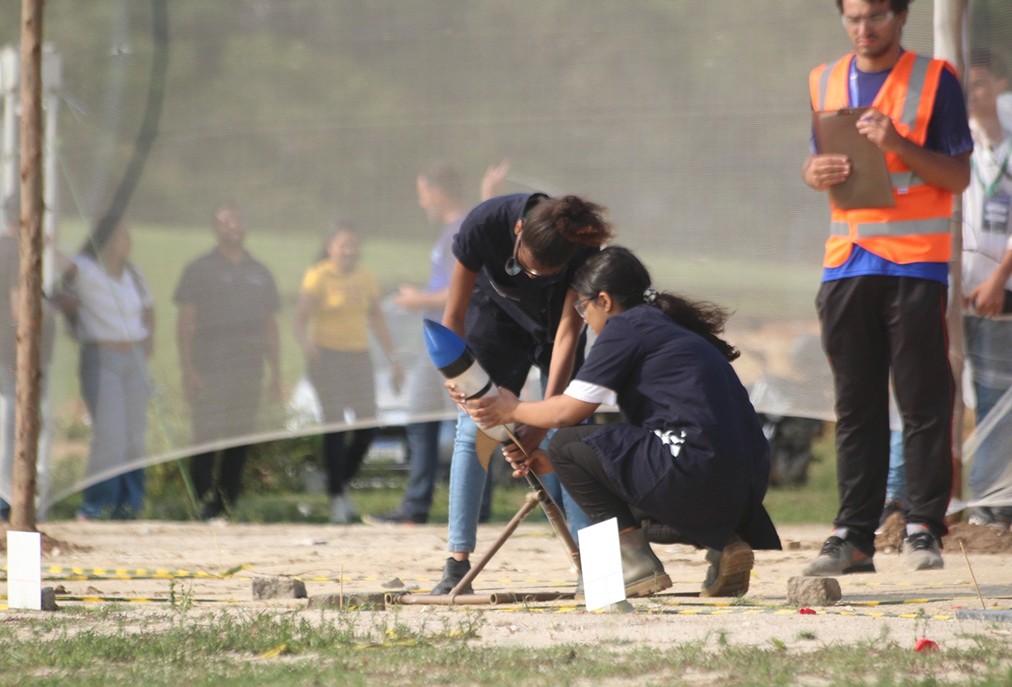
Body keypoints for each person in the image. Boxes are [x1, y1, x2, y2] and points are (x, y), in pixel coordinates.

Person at [461, 247, 781, 597]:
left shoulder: (626, 328)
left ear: (604, 300)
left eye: (583, 307)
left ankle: (633, 567)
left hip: (694, 470)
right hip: (742, 488)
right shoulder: (668, 327)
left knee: (566, 442)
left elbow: (567, 412)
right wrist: (561, 466)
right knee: (575, 461)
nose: (583, 318)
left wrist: (513, 410)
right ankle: (726, 545)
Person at [801, 0, 972, 574]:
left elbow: (958, 175)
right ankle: (853, 536)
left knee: (924, 402)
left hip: (916, 266)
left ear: (900, 16)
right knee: (856, 407)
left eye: (875, 16)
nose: (863, 29)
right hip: (847, 263)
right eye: (852, 18)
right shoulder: (823, 80)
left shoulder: (935, 80)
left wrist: (898, 144)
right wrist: (812, 172)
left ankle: (924, 526)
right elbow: (816, 159)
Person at [429, 191, 611, 595]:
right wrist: (455, 375)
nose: (533, 280)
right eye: (525, 268)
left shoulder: (581, 247)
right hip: (494, 322)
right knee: (472, 428)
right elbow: (453, 315)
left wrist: (543, 420)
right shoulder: (481, 224)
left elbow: (567, 334)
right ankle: (456, 564)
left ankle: (597, 571)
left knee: (572, 434)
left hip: (553, 330)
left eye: (546, 275)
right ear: (517, 231)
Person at [366, 161, 508, 526]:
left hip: (452, 339)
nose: (421, 201)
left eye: (423, 193)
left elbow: (464, 286)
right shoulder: (452, 229)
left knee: (434, 418)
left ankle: (419, 507)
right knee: (460, 419)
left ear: (439, 191)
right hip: (449, 337)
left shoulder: (457, 229)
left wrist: (417, 300)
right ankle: (461, 506)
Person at [174, 204, 282, 520]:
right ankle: (202, 501)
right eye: (225, 222)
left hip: (249, 368)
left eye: (238, 220)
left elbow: (270, 325)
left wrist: (275, 373)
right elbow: (184, 322)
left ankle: (226, 505)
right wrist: (188, 369)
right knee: (206, 434)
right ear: (215, 228)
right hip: (210, 367)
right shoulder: (199, 269)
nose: (233, 226)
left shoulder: (260, 272)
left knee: (241, 438)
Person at [294, 220, 403, 523]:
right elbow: (299, 319)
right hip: (326, 358)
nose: (349, 251)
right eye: (343, 245)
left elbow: (378, 319)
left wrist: (394, 359)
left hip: (358, 357)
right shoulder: (318, 276)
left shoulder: (365, 278)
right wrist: (306, 344)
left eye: (353, 245)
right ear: (331, 247)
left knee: (368, 427)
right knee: (336, 424)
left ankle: (334, 480)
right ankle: (337, 498)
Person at [67, 218, 154, 520]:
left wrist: (147, 345)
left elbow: (148, 310)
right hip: (102, 358)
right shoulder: (87, 270)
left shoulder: (134, 274)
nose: (127, 241)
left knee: (134, 434)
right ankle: (97, 504)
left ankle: (129, 504)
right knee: (110, 432)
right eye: (121, 235)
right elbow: (64, 271)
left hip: (134, 358)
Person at [961, 47, 1012, 528]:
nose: (969, 95)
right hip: (953, 290)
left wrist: (998, 279)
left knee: (996, 395)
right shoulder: (955, 143)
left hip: (1000, 294)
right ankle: (912, 501)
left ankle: (990, 499)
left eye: (977, 83)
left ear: (999, 83)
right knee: (933, 394)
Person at [0, 195, 19, 521]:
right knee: (9, 426)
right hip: (9, 353)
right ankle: (4, 499)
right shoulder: (14, 250)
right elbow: (21, 306)